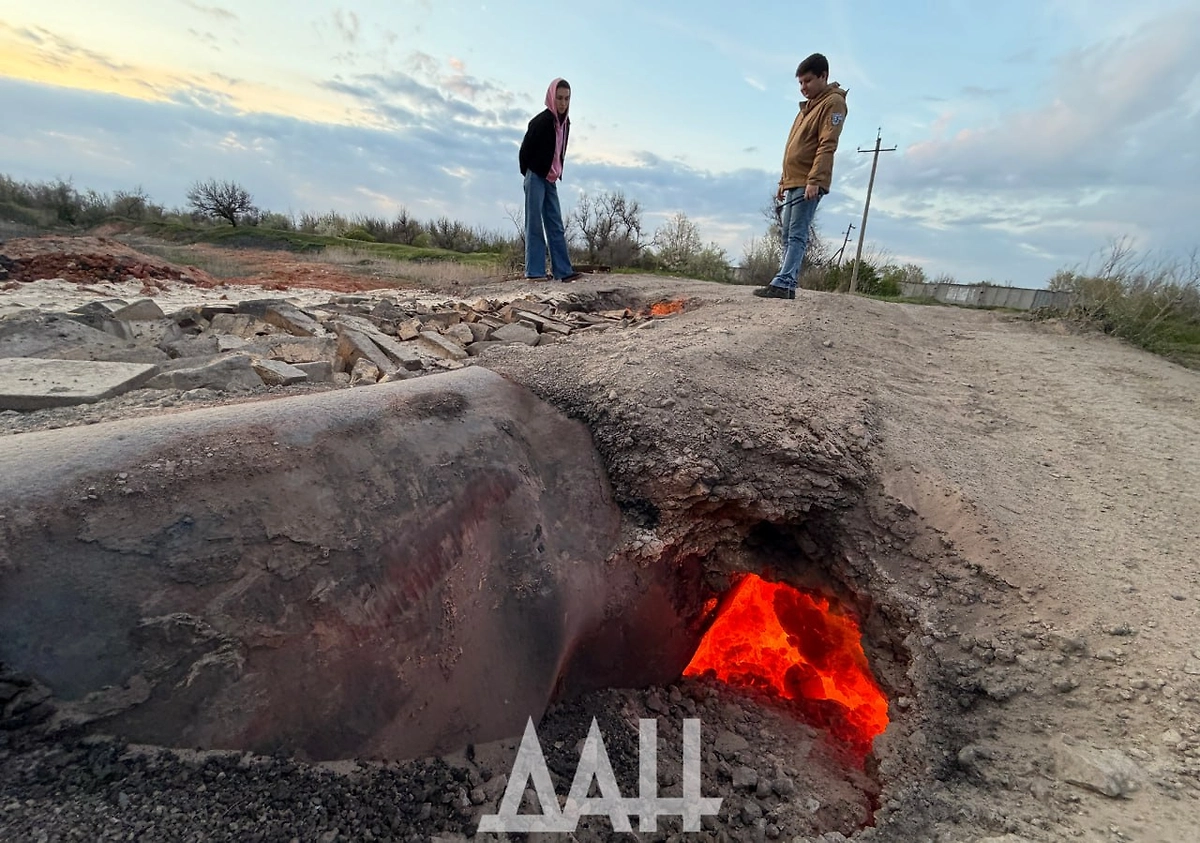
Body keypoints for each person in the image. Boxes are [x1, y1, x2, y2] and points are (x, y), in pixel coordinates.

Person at [754, 53, 848, 300]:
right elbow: (793, 147)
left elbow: (827, 144)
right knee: (786, 234)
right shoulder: (806, 109)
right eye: (800, 83)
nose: (803, 87)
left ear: (823, 76)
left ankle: (786, 283)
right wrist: (783, 181)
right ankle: (783, 279)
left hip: (809, 181)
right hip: (794, 180)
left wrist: (815, 180)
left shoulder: (833, 103)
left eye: (807, 81)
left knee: (797, 233)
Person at [519, 78, 582, 282]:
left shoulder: (566, 123)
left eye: (566, 99)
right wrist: (530, 173)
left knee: (555, 223)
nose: (563, 103)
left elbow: (558, 151)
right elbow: (524, 152)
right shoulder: (541, 122)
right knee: (534, 223)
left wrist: (555, 171)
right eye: (559, 98)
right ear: (551, 98)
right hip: (536, 175)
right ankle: (534, 272)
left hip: (551, 178)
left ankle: (563, 271)